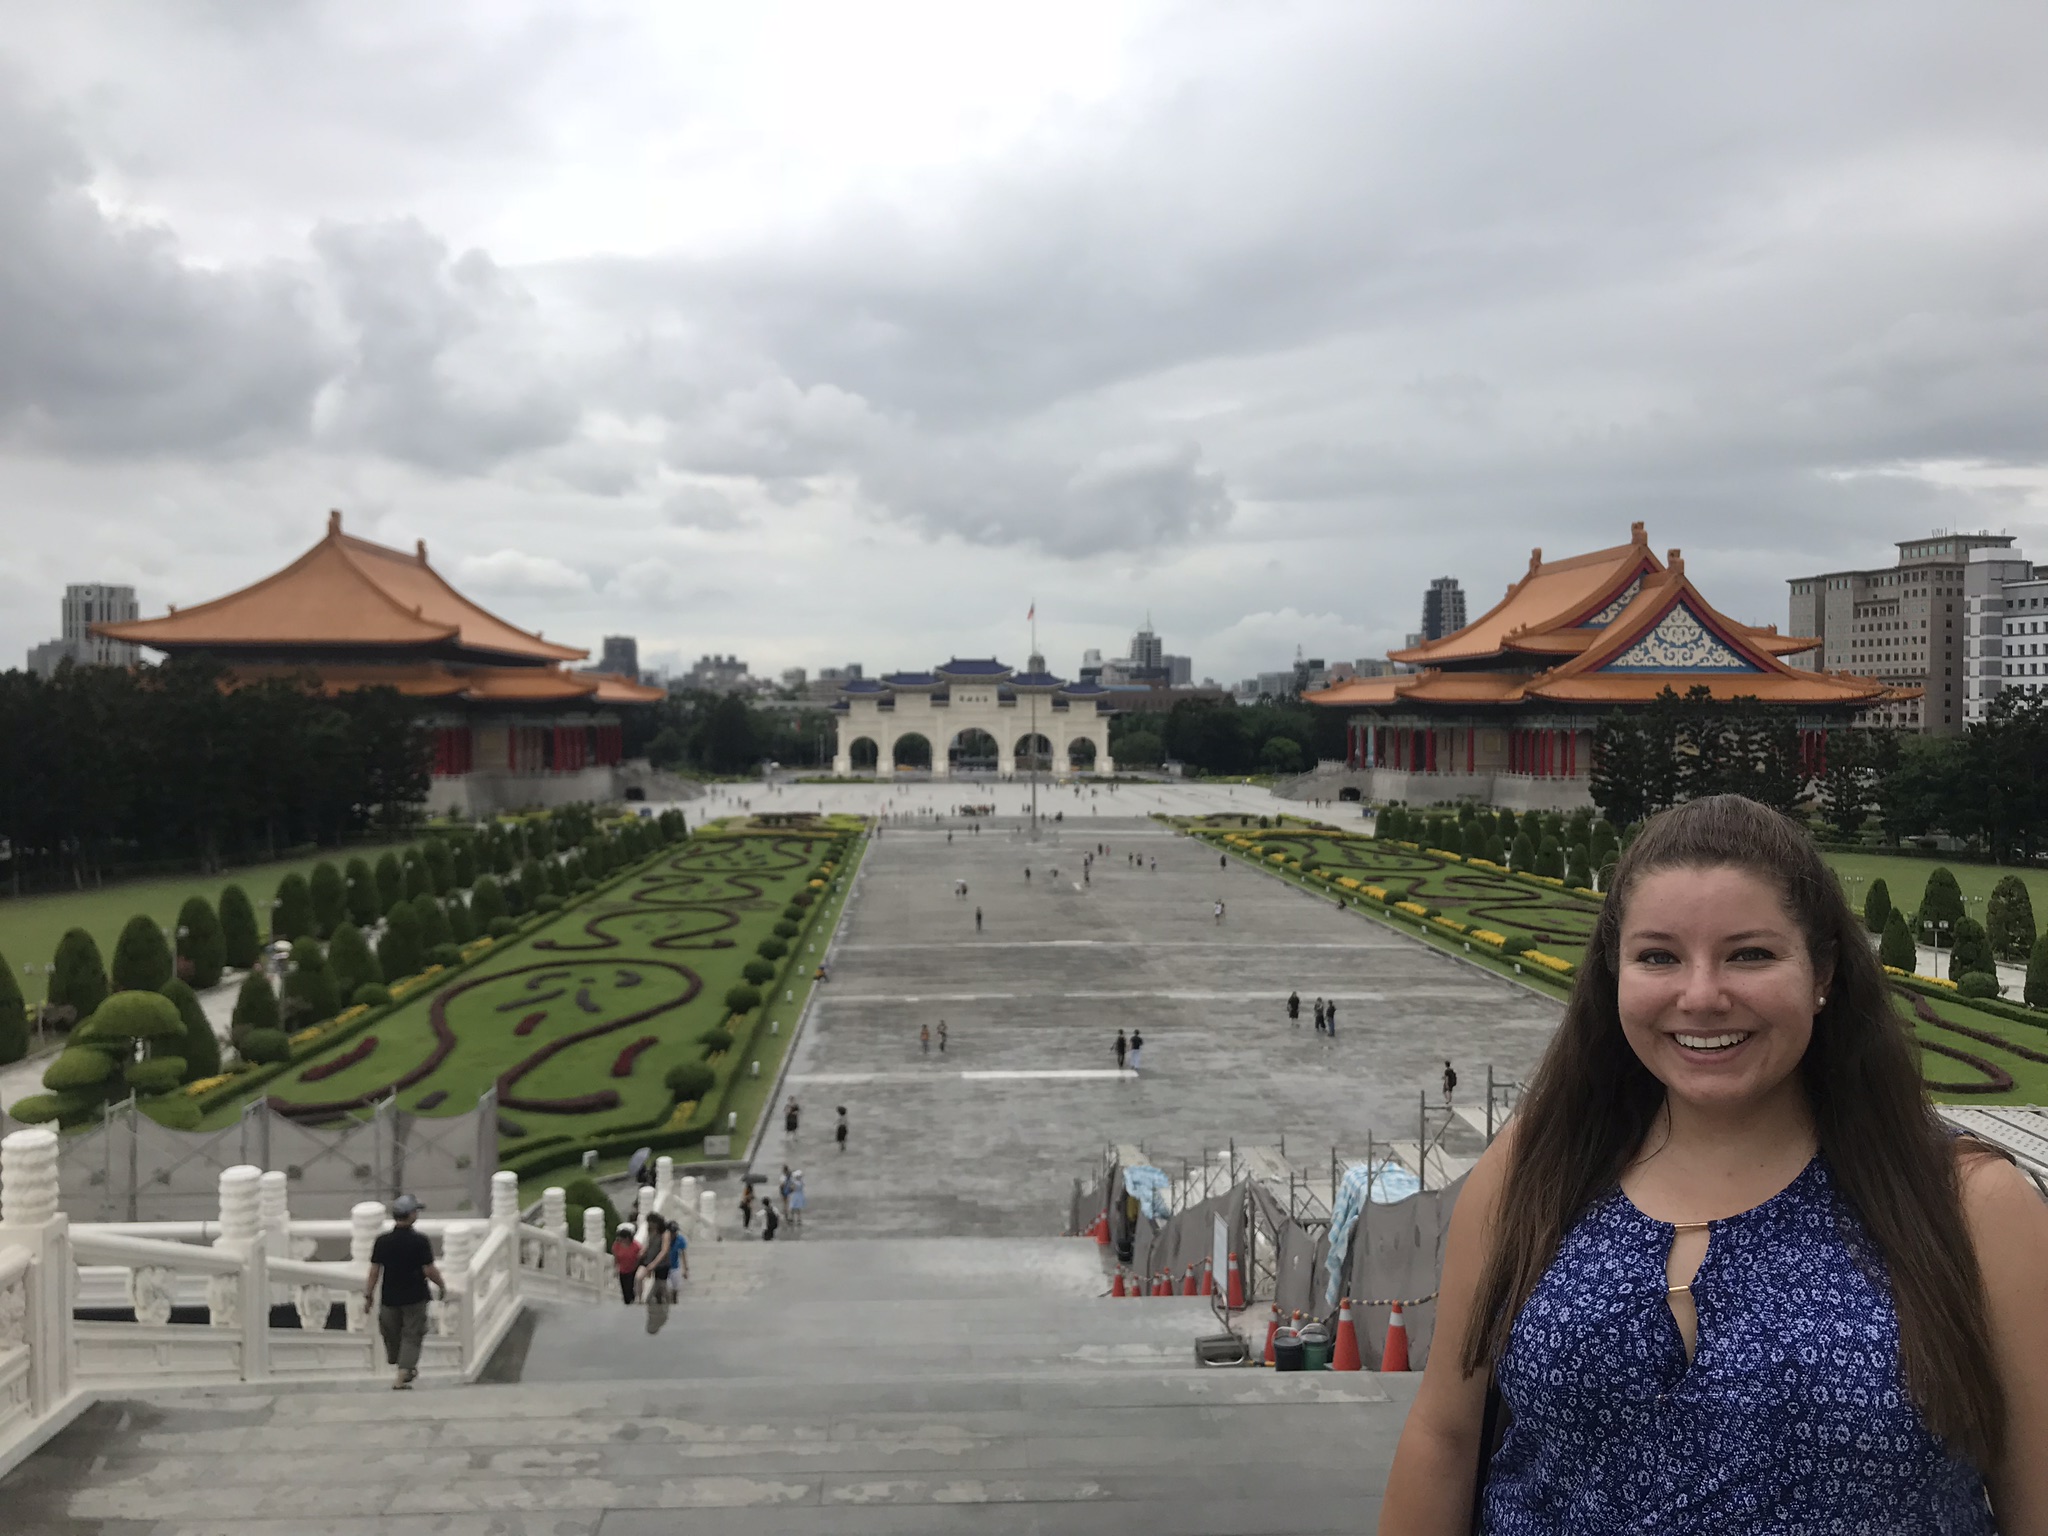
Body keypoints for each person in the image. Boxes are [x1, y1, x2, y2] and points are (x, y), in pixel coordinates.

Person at [1377, 794, 2048, 1534]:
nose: (1701, 996)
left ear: (1823, 969)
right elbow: (1443, 1438)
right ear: (1613, 971)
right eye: (1658, 957)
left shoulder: (1971, 1204)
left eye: (1750, 955)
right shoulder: (1538, 1165)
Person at [364, 1194, 445, 1390]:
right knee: (411, 1334)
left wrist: (369, 1295)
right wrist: (442, 1285)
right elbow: (428, 1269)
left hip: (389, 1297)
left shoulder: (382, 1241)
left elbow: (374, 1271)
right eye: (415, 1211)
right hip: (415, 1297)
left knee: (390, 1332)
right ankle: (404, 1368)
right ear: (410, 1215)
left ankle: (402, 1368)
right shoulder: (419, 1241)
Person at [639, 1215, 673, 1304]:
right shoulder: (650, 1231)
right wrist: (643, 1251)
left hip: (662, 1264)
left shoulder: (665, 1233)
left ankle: (670, 1302)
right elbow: (648, 1243)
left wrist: (654, 1263)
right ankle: (657, 1302)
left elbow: (664, 1251)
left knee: (661, 1285)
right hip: (649, 1259)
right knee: (640, 1278)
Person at [611, 1222, 642, 1305]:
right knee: (624, 1289)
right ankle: (628, 1303)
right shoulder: (617, 1245)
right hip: (622, 1271)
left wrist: (636, 1266)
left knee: (630, 1288)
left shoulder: (636, 1246)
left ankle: (631, 1301)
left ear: (627, 1238)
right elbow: (615, 1257)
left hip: (632, 1270)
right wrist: (615, 1267)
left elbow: (640, 1257)